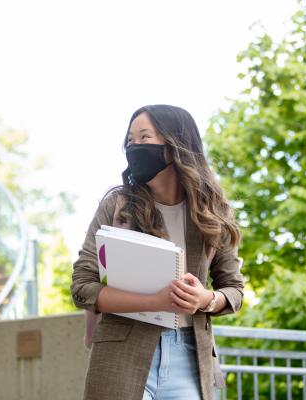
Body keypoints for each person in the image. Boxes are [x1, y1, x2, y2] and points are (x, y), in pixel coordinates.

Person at [71, 105, 244, 400]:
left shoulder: (213, 212)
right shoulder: (117, 205)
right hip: (120, 355)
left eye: (144, 137)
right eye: (130, 140)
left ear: (175, 145)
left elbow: (234, 290)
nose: (134, 147)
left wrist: (207, 299)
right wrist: (155, 302)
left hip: (190, 358)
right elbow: (82, 288)